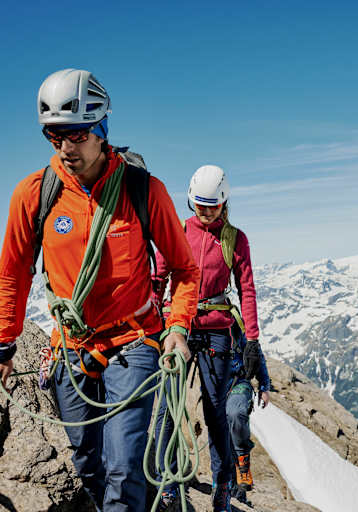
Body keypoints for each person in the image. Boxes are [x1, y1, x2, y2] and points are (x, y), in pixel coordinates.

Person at [0, 68, 199, 512]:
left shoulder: (143, 190)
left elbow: (183, 268)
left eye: (77, 135)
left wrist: (177, 326)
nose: (65, 148)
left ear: (102, 130)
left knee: (124, 465)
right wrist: (2, 345)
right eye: (54, 136)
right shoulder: (35, 194)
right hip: (71, 346)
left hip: (133, 341)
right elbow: (14, 272)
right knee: (88, 462)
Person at [152, 165, 263, 512]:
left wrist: (253, 340)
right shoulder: (178, 231)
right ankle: (166, 483)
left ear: (224, 202)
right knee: (168, 408)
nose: (205, 211)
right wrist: (155, 319)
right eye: (200, 205)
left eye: (212, 206)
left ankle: (222, 489)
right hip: (177, 327)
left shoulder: (235, 239)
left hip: (217, 330)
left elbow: (247, 291)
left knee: (215, 412)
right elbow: (158, 278)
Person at [226, 327, 271, 498]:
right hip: (215, 386)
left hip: (239, 383)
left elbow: (256, 355)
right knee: (222, 436)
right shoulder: (203, 325)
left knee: (236, 414)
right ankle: (233, 491)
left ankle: (242, 461)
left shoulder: (237, 327)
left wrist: (264, 387)